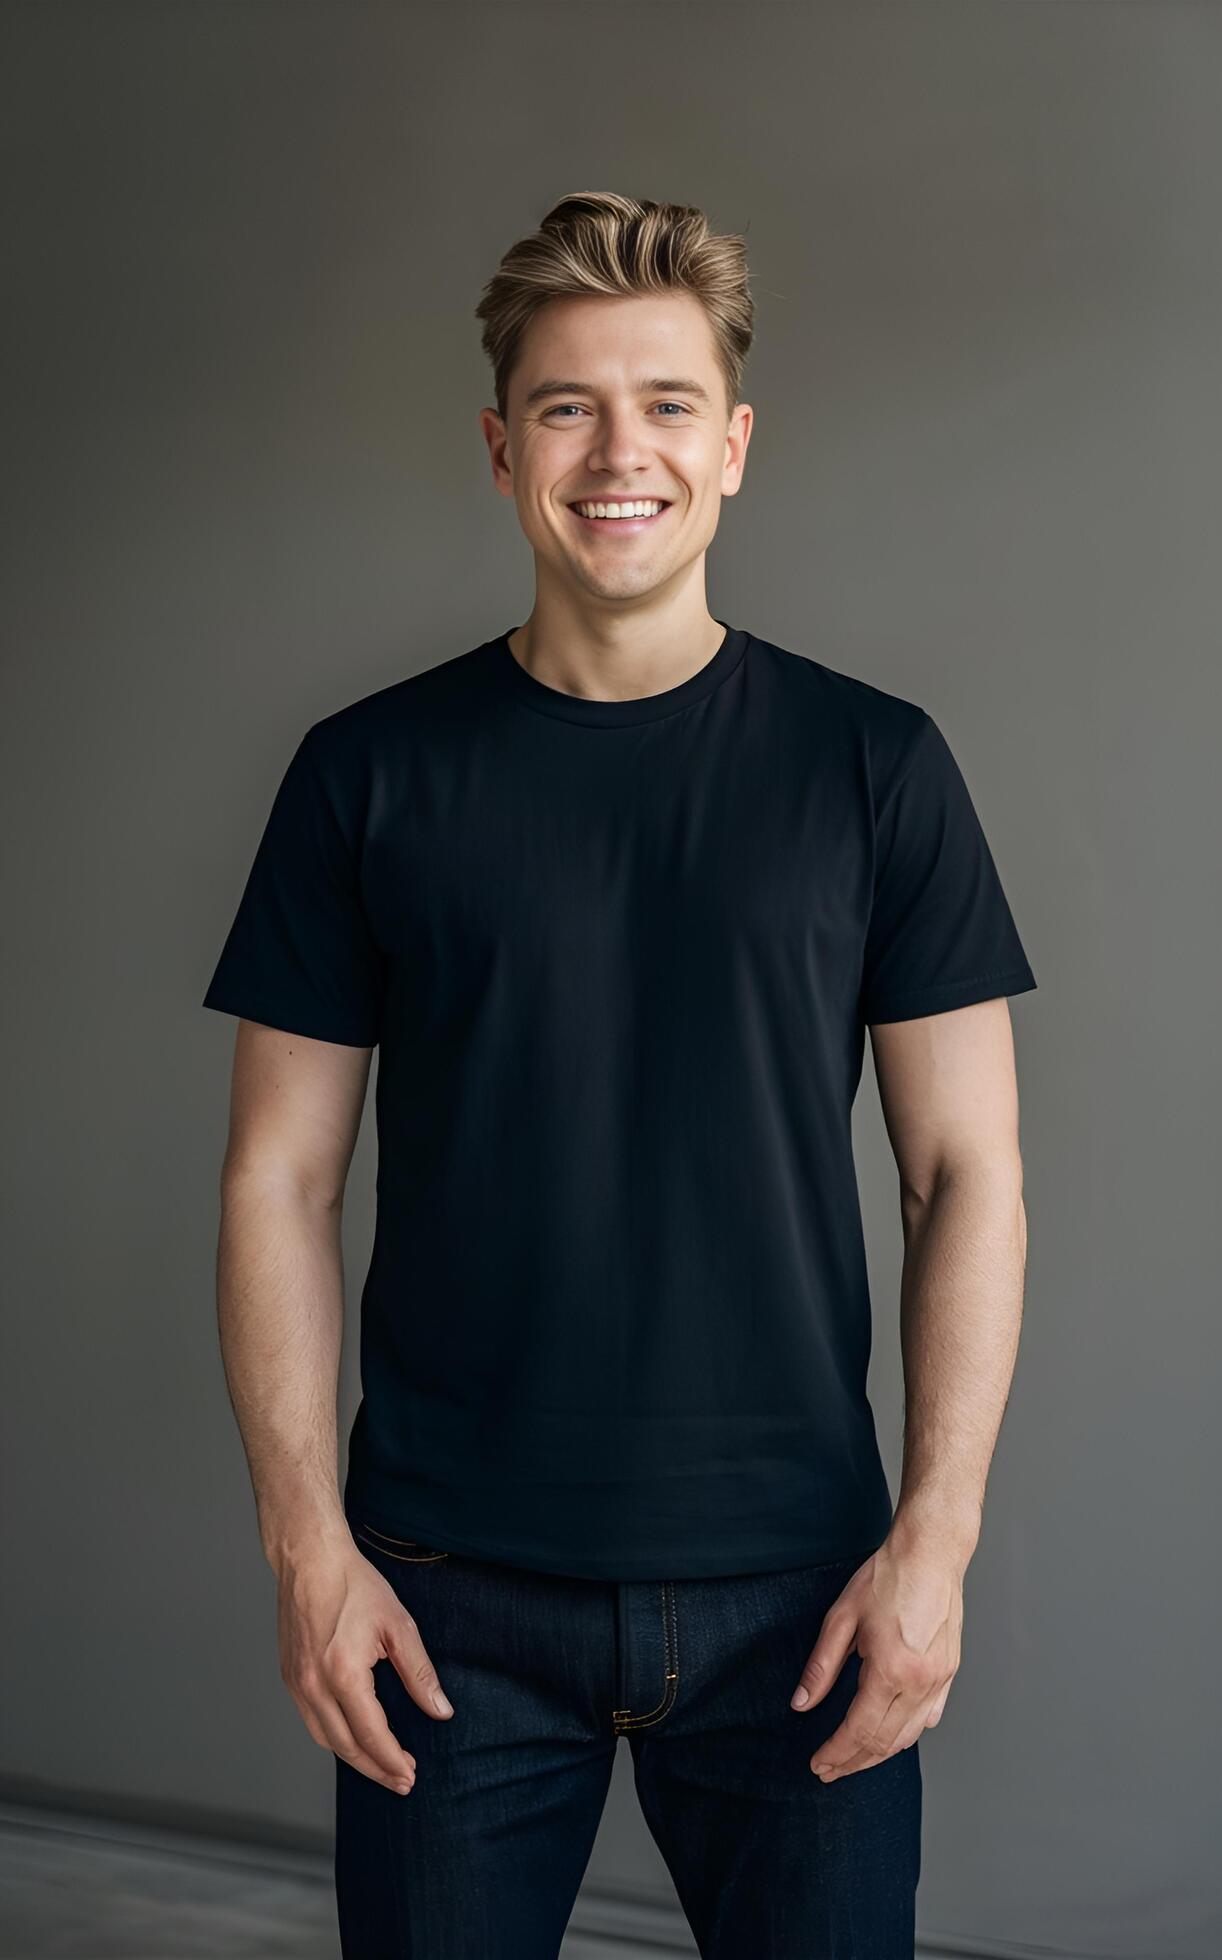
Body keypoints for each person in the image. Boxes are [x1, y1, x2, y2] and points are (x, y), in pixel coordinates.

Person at [202, 190, 1037, 1958]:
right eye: (570, 406)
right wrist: (304, 1554)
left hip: (799, 1598)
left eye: (664, 403)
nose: (617, 452)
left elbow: (963, 1176)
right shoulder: (365, 777)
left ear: (731, 447)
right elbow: (277, 1178)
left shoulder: (874, 767)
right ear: (503, 448)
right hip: (442, 1603)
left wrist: (933, 1549)